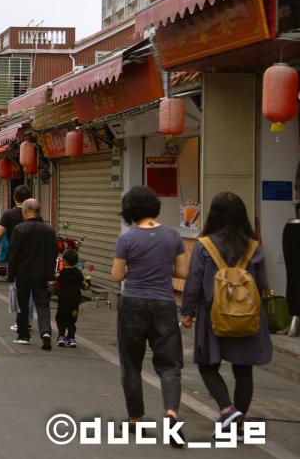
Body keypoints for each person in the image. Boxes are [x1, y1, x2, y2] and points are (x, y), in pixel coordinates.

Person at [180, 192, 272, 433]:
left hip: (214, 314)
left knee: (207, 365)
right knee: (244, 370)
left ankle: (227, 410)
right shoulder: (254, 247)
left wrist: (187, 311)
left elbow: (194, 281)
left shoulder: (205, 246)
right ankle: (237, 424)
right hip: (248, 314)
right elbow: (262, 283)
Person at [111, 185, 188, 433]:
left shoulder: (127, 238)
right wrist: (165, 269)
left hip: (133, 303)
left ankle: (135, 420)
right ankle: (171, 414)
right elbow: (183, 272)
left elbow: (116, 275)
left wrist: (135, 269)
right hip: (164, 304)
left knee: (132, 363)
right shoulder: (173, 236)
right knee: (169, 364)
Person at [6, 199, 57, 350]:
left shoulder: (19, 229)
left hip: (23, 274)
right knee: (43, 304)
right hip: (41, 275)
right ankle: (46, 333)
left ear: (26, 211)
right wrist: (50, 273)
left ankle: (23, 335)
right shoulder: (48, 230)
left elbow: (13, 255)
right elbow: (54, 252)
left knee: (23, 305)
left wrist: (10, 275)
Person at [0, 185, 34, 331]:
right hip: (33, 255)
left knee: (17, 288)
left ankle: (21, 321)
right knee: (30, 289)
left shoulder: (9, 214)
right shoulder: (34, 214)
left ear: (14, 198)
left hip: (16, 256)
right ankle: (28, 319)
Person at [55, 249, 89, 348]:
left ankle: (61, 336)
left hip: (63, 301)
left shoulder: (62, 273)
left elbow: (54, 277)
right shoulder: (78, 273)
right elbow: (85, 286)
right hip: (75, 302)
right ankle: (71, 338)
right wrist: (88, 281)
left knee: (61, 318)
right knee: (72, 320)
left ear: (64, 261)